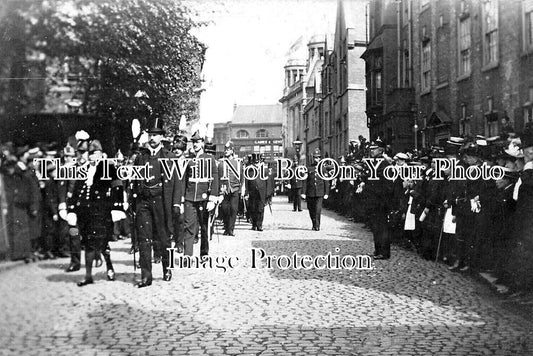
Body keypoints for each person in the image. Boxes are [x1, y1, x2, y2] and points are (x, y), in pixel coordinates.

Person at [132, 117, 182, 288]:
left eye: (156, 135)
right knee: (144, 239)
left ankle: (167, 268)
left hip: (161, 201)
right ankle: (146, 276)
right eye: (151, 134)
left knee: (163, 237)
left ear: (162, 137)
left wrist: (176, 203)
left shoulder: (169, 157)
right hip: (144, 201)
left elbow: (177, 182)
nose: (152, 138)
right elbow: (134, 180)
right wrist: (133, 202)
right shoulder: (141, 157)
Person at [71, 139, 119, 286]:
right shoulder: (83, 170)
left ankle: (109, 267)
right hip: (86, 213)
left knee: (103, 243)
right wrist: (72, 210)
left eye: (95, 154)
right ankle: (88, 276)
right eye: (90, 154)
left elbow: (117, 186)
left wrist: (117, 207)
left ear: (101, 154)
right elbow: (76, 192)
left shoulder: (108, 168)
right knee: (88, 244)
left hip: (102, 212)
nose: (92, 157)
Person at [182, 130, 220, 257]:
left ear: (202, 143)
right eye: (193, 142)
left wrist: (212, 198)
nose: (195, 144)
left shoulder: (209, 158)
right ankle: (187, 255)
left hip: (204, 197)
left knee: (204, 227)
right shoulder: (188, 159)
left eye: (198, 142)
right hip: (190, 196)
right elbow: (184, 179)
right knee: (188, 226)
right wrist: (182, 197)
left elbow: (215, 178)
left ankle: (204, 254)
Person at [218, 141, 244, 236]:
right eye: (225, 149)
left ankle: (231, 229)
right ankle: (226, 227)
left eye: (228, 149)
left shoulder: (238, 162)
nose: (226, 151)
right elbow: (218, 177)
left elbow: (241, 176)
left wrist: (241, 189)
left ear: (232, 150)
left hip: (235, 189)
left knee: (233, 209)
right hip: (224, 190)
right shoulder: (220, 163)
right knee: (225, 209)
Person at [301, 148, 330, 231]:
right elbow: (305, 181)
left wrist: (326, 193)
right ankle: (314, 223)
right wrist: (303, 192)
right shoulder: (309, 168)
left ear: (320, 158)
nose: (317, 159)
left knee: (318, 209)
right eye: (315, 157)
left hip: (320, 192)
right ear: (313, 158)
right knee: (311, 210)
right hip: (310, 193)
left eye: (318, 157)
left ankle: (317, 225)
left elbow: (326, 181)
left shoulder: (323, 169)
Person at [245, 154, 272, 231]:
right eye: (255, 162)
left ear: (260, 161)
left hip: (262, 192)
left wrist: (268, 194)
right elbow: (247, 182)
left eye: (257, 162)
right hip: (252, 192)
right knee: (252, 209)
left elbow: (268, 182)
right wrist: (246, 192)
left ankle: (259, 225)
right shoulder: (249, 170)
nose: (256, 164)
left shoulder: (264, 170)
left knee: (260, 209)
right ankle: (254, 224)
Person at [171, 134, 188, 253]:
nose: (177, 151)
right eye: (175, 148)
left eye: (180, 148)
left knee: (181, 219)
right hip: (170, 194)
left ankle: (179, 242)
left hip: (184, 194)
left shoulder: (187, 162)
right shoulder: (169, 161)